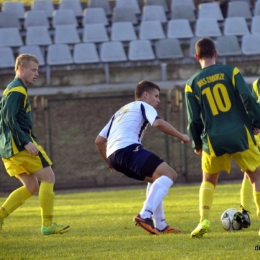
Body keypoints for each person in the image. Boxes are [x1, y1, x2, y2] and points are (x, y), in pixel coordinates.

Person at [184, 38, 260, 238]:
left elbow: (193, 119)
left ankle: (204, 220)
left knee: (208, 180)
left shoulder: (191, 84)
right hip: (239, 132)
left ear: (196, 57)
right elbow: (247, 97)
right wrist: (256, 121)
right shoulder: (231, 72)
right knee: (256, 176)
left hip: (213, 138)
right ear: (215, 53)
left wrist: (197, 142)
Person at [95, 80, 190, 235]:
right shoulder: (143, 105)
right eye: (156, 96)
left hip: (114, 156)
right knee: (170, 174)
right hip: (128, 149)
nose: (158, 100)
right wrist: (181, 136)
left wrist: (109, 163)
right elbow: (158, 123)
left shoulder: (120, 111)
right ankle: (144, 215)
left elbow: (99, 141)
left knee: (155, 178)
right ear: (145, 95)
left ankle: (160, 225)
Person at [0, 54, 70, 235]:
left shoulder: (12, 89)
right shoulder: (17, 90)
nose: (36, 73)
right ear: (21, 68)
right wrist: (25, 142)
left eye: (37, 70)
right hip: (19, 145)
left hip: (8, 148)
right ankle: (48, 224)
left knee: (31, 187)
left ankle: (0, 216)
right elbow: (8, 117)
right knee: (49, 177)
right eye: (33, 69)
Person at [240, 78, 260, 225]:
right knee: (251, 172)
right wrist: (254, 123)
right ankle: (245, 212)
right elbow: (253, 106)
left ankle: (245, 212)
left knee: (251, 173)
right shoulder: (256, 84)